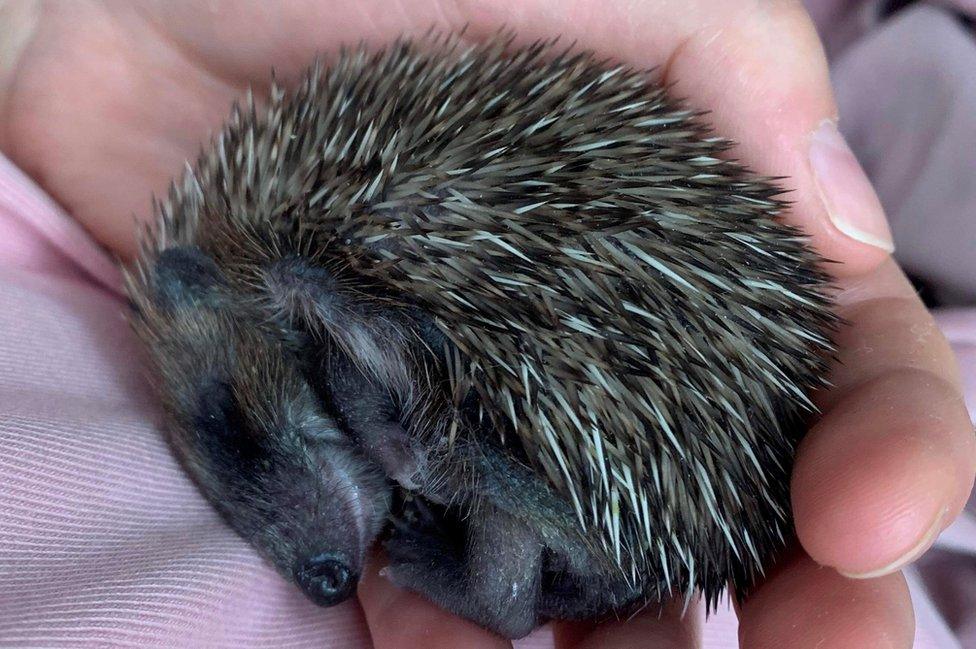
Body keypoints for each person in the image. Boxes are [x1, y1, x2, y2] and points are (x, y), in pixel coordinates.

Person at [0, 1, 972, 647]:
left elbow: (333, 311)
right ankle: (534, 527)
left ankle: (527, 520)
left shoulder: (288, 253)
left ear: (193, 288)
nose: (321, 564)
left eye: (243, 437)